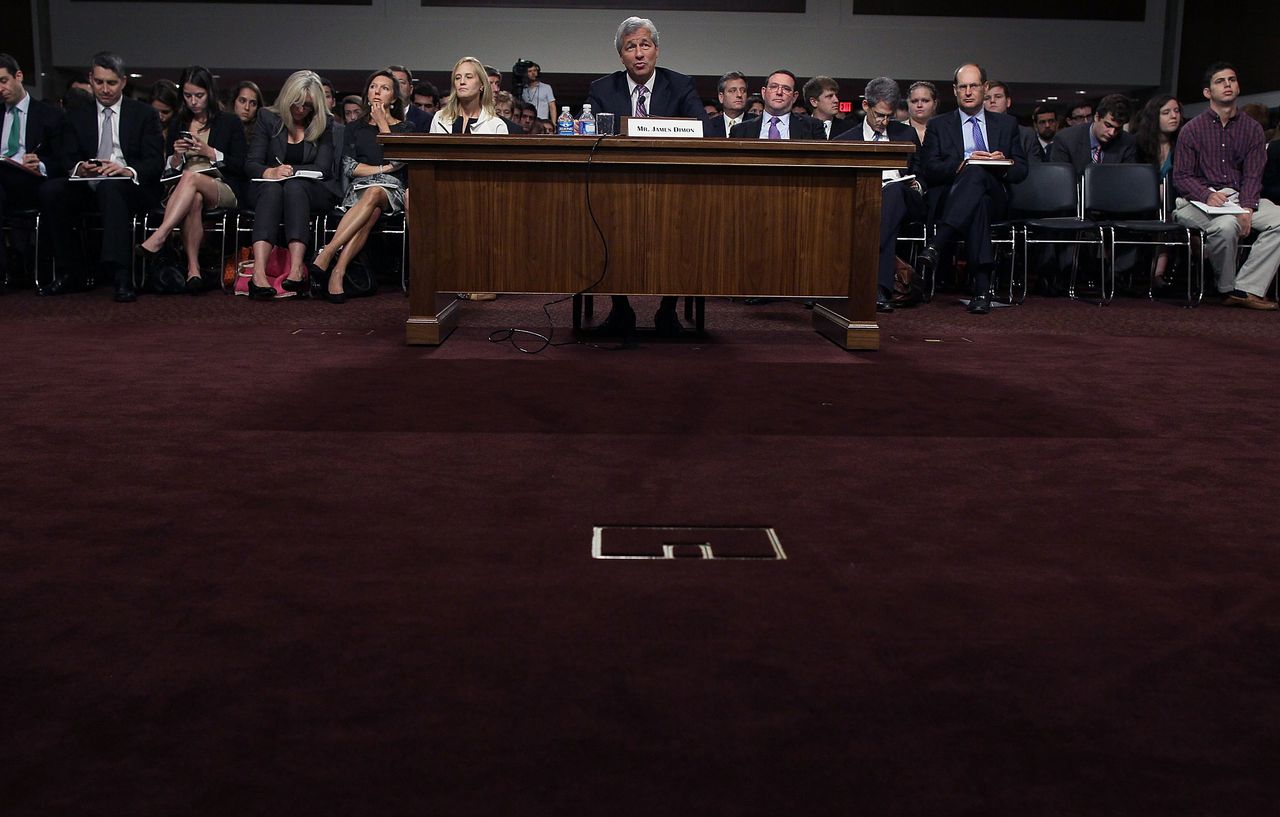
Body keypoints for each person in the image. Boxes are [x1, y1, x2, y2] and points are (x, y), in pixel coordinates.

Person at [584, 16, 708, 336]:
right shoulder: (601, 88)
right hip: (617, 186)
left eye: (645, 45)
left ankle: (668, 311)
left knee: (685, 231)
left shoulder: (681, 84)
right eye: (630, 47)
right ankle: (620, 308)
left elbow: (700, 130)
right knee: (604, 224)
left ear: (656, 51)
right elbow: (595, 138)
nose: (639, 53)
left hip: (673, 186)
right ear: (621, 56)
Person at [38, 51, 163, 302]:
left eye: (111, 83)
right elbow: (66, 157)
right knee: (51, 191)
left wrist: (127, 170)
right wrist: (80, 168)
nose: (105, 89)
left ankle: (120, 275)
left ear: (124, 82)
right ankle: (71, 271)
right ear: (91, 79)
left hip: (131, 186)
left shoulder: (143, 114)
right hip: (89, 184)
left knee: (112, 188)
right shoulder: (76, 115)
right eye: (99, 82)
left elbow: (154, 162)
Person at [914, 62, 1028, 315]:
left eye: (973, 86)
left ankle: (937, 243)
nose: (968, 91)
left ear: (984, 88)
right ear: (955, 91)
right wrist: (962, 164)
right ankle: (981, 289)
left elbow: (1022, 171)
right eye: (962, 86)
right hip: (953, 197)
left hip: (996, 193)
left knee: (980, 176)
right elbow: (930, 168)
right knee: (978, 199)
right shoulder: (939, 125)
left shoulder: (1006, 124)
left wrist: (1003, 163)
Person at [1172, 62, 1280, 309]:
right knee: (1227, 225)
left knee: (1279, 219)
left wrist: (1248, 207)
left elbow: (1254, 174)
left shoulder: (1252, 129)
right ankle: (1227, 288)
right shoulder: (1192, 130)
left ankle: (1247, 288)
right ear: (1207, 93)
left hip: (1239, 197)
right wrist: (1207, 195)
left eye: (1232, 79)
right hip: (1198, 200)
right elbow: (1182, 177)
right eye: (1220, 81)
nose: (1228, 84)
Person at [136, 65, 247, 291]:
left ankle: (160, 235)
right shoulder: (178, 123)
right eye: (188, 96)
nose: (193, 101)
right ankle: (193, 271)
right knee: (193, 196)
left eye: (199, 95)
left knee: (191, 178)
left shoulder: (229, 122)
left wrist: (210, 152)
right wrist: (176, 156)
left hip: (221, 184)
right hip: (185, 188)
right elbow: (168, 168)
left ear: (210, 93)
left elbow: (241, 164)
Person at [309, 69, 415, 304]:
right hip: (360, 190)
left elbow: (399, 160)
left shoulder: (406, 128)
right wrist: (383, 169)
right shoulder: (354, 128)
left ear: (394, 98)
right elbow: (349, 166)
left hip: (392, 191)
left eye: (385, 88)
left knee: (376, 192)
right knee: (371, 209)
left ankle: (327, 252)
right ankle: (338, 272)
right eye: (373, 87)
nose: (377, 91)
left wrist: (382, 125)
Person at [243, 69, 339, 301]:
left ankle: (297, 270)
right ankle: (258, 274)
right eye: (296, 104)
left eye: (307, 106)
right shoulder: (268, 118)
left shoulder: (324, 123)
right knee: (273, 188)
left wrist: (292, 171)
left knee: (294, 187)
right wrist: (271, 171)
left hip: (311, 189)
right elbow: (251, 163)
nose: (300, 110)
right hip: (270, 186)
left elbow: (323, 168)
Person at [835, 77, 925, 311]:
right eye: (879, 115)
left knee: (894, 193)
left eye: (889, 116)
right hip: (863, 203)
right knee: (883, 213)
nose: (884, 122)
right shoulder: (845, 140)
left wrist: (916, 185)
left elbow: (922, 174)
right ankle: (879, 290)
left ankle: (860, 266)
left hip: (904, 200)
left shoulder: (907, 135)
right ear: (866, 106)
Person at [0, 53, 65, 289]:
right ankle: (4, 270)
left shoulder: (50, 115)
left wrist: (41, 164)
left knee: (52, 192)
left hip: (34, 182)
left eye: (3, 81)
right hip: (3, 185)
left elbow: (64, 160)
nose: (1, 89)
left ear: (18, 76)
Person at [1133, 94, 1183, 287]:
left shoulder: (1183, 144)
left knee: (1168, 215)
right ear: (1154, 117)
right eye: (1166, 112)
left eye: (1176, 111)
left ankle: (1158, 274)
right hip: (1140, 201)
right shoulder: (1138, 144)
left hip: (1176, 202)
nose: (1174, 116)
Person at [1049, 93, 1136, 174]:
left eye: (1118, 128)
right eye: (1108, 125)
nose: (1112, 133)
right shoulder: (1065, 139)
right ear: (1097, 117)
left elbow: (1126, 180)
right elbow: (1059, 180)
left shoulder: (1127, 142)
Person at [729, 70, 825, 140]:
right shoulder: (740, 131)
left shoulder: (813, 127)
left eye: (786, 89)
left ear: (794, 97)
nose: (779, 92)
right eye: (774, 87)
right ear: (763, 92)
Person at [430, 57, 510, 135]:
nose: (462, 82)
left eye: (468, 77)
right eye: (457, 78)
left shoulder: (496, 126)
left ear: (481, 85)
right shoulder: (440, 118)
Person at [704, 71, 748, 138]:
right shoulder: (709, 126)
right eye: (733, 90)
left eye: (743, 91)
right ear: (721, 97)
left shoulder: (758, 123)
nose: (739, 95)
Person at [388, 64, 431, 131]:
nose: (396, 86)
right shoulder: (373, 117)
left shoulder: (425, 119)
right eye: (392, 82)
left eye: (401, 82)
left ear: (410, 89)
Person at [906, 81, 937, 145]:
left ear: (935, 104)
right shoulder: (898, 130)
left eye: (925, 101)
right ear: (908, 103)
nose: (919, 105)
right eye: (914, 101)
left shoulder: (944, 130)